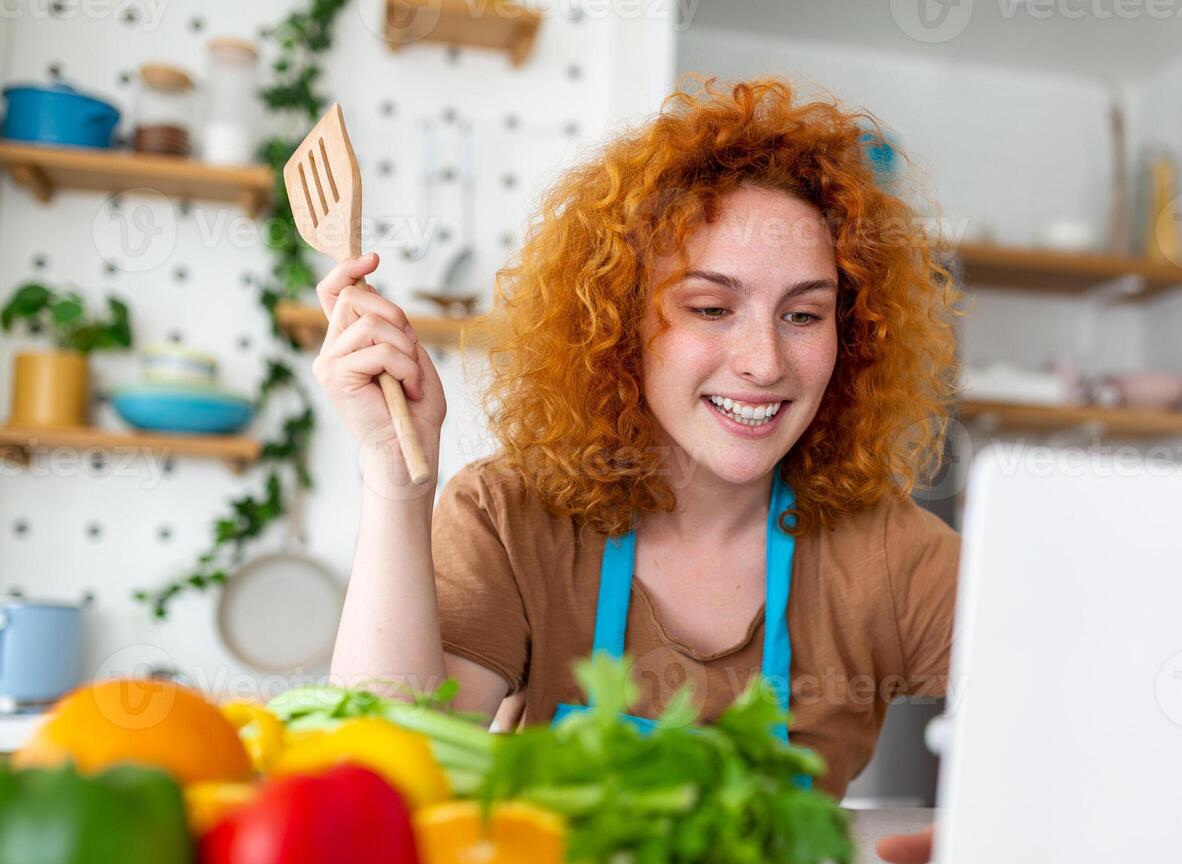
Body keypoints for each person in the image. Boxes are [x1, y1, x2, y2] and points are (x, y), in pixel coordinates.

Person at [311, 75, 962, 805]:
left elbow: (1090, 717)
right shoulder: (512, 518)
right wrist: (396, 481)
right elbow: (382, 786)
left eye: (805, 316)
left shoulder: (886, 554)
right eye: (712, 308)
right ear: (621, 325)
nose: (765, 361)